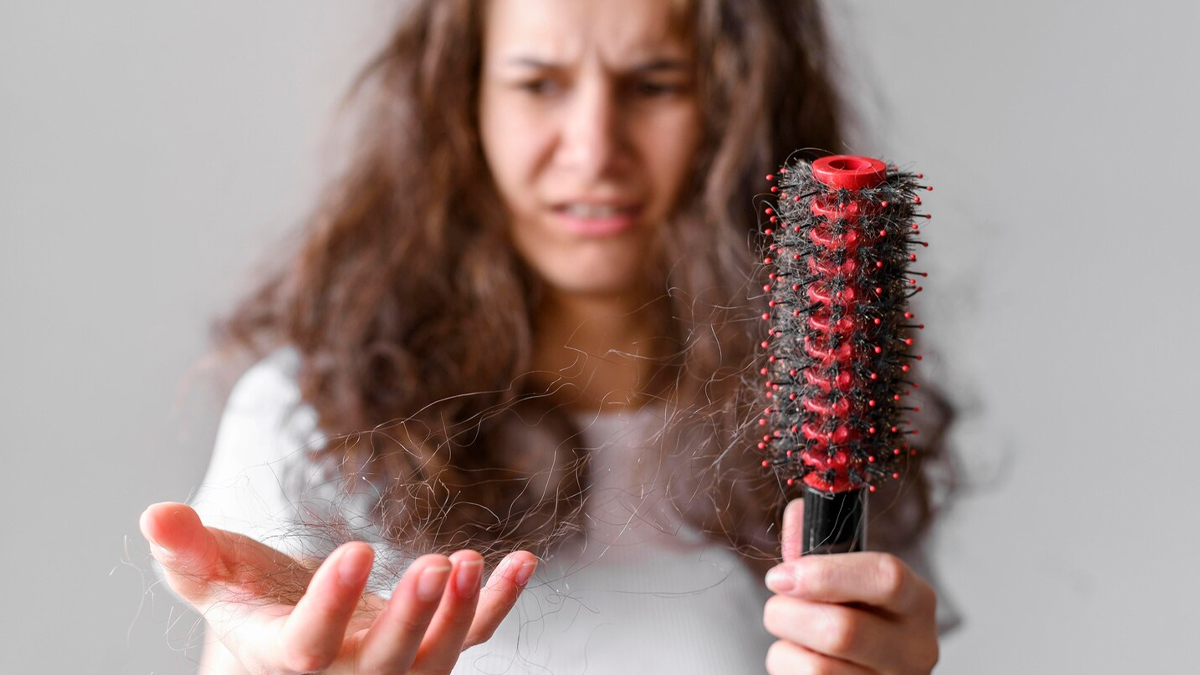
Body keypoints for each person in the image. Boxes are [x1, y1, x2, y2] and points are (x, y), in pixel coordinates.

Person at [140, 1, 949, 673]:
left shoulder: (831, 416)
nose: (594, 149)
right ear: (466, 106)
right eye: (538, 84)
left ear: (735, 107)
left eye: (654, 83)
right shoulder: (306, 419)